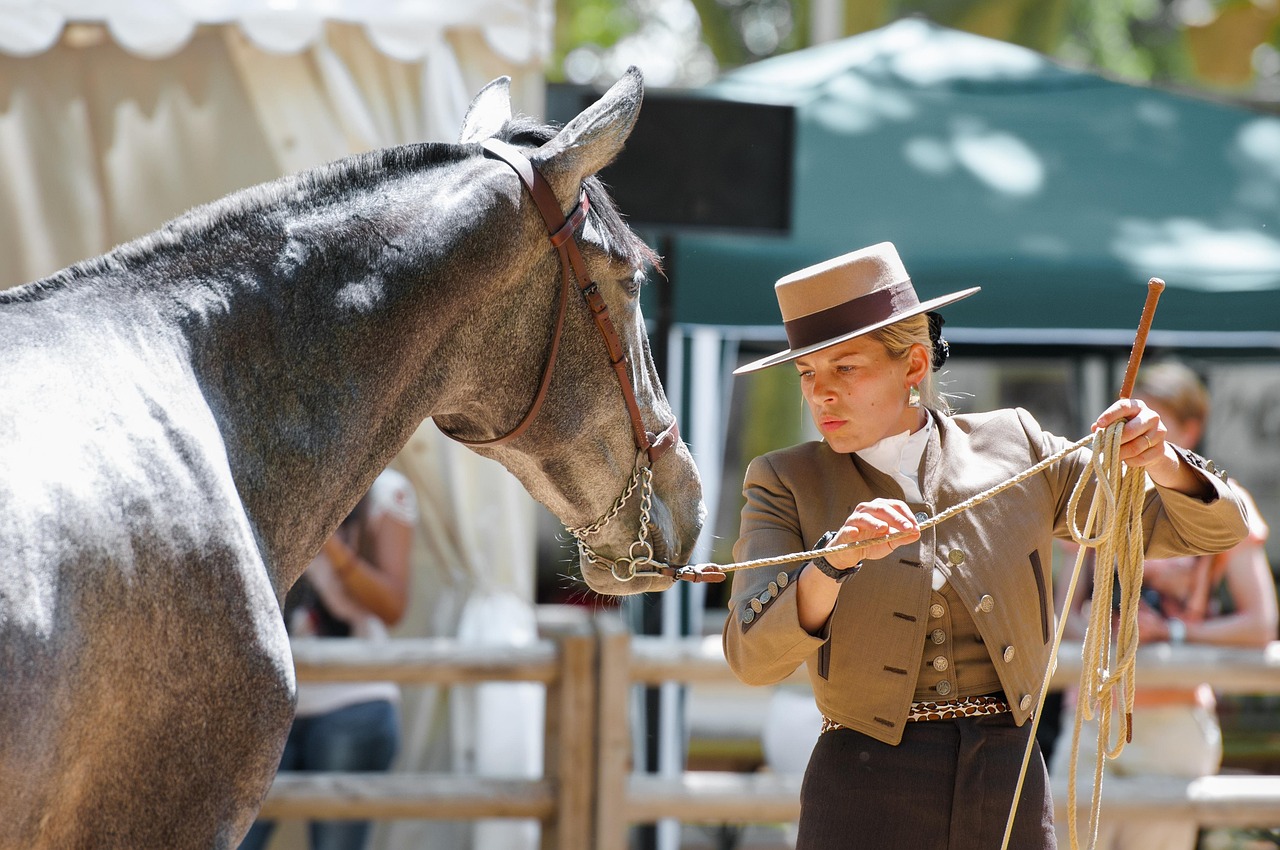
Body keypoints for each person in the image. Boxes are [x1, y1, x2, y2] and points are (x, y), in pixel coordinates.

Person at [721, 242, 1250, 850]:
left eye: (846, 367)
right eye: (807, 374)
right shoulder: (783, 480)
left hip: (1008, 778)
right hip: (861, 786)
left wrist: (1161, 460)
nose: (822, 394)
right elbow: (751, 657)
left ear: (914, 365)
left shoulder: (1015, 445)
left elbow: (1215, 528)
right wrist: (830, 567)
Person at [1050, 361, 1277, 850]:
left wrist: (1170, 633)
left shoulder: (1223, 503)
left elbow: (1261, 624)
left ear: (1191, 427)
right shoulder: (1097, 494)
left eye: (1155, 418)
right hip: (1092, 714)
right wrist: (1101, 628)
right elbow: (1062, 617)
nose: (1137, 428)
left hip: (1174, 719)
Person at [240, 467, 416, 850]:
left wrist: (330, 542)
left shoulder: (385, 491)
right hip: (267, 702)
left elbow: (392, 606)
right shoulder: (269, 476)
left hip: (353, 702)